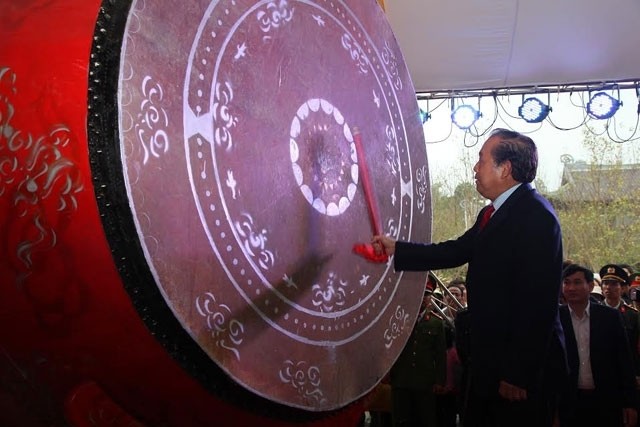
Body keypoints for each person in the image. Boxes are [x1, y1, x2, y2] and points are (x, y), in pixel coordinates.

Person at [372, 128, 567, 427]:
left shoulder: (536, 217)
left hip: (518, 374)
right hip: (490, 361)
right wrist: (396, 249)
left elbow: (538, 304)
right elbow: (454, 251)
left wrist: (517, 374)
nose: (475, 168)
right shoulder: (493, 214)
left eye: (482, 160)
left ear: (506, 169)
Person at [558, 264, 638, 427]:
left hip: (606, 400)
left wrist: (630, 402)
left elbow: (623, 360)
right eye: (567, 282)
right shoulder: (557, 318)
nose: (571, 287)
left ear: (590, 286)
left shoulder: (609, 317)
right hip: (569, 401)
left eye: (577, 282)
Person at [389, 278, 446, 427]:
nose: (422, 298)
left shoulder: (436, 322)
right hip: (401, 380)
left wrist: (440, 381)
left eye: (426, 294)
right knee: (401, 420)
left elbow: (440, 354)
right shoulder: (398, 319)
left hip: (425, 382)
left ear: (430, 297)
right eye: (419, 293)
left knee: (425, 420)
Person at [600, 264, 640, 377]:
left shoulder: (632, 315)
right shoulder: (594, 312)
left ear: (622, 288)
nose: (608, 287)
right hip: (601, 371)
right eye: (606, 283)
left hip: (627, 371)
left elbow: (635, 348)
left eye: (613, 284)